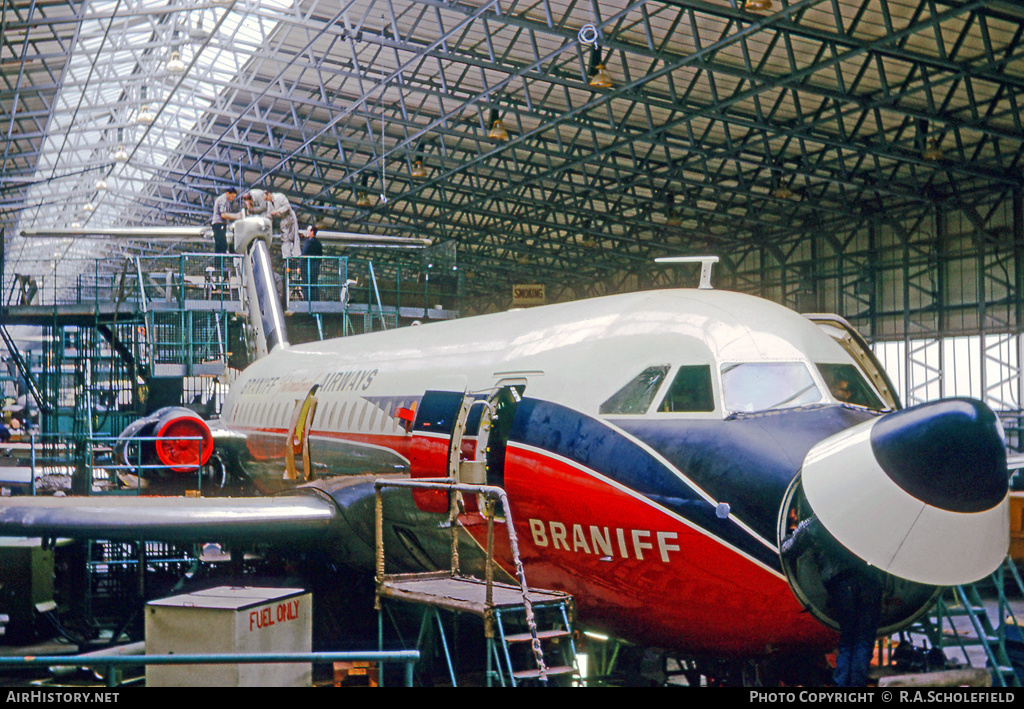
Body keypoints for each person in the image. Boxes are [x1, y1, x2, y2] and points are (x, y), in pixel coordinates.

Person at [782, 514, 884, 687]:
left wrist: (789, 534)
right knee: (864, 641)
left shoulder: (811, 524)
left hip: (842, 585)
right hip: (869, 581)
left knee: (847, 641)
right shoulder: (854, 515)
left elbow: (787, 549)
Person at [211, 187, 240, 254]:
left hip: (220, 225)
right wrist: (236, 216)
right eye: (232, 196)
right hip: (218, 224)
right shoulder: (223, 200)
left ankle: (219, 262)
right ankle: (219, 263)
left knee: (220, 245)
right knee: (222, 245)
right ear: (228, 193)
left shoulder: (224, 200)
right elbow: (223, 215)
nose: (233, 199)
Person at [301, 225, 323, 300]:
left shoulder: (308, 242)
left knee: (306, 285)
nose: (306, 232)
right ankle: (315, 300)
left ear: (312, 232)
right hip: (315, 268)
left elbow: (304, 254)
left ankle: (307, 300)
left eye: (308, 230)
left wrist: (299, 266)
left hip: (307, 268)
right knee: (314, 285)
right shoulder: (319, 244)